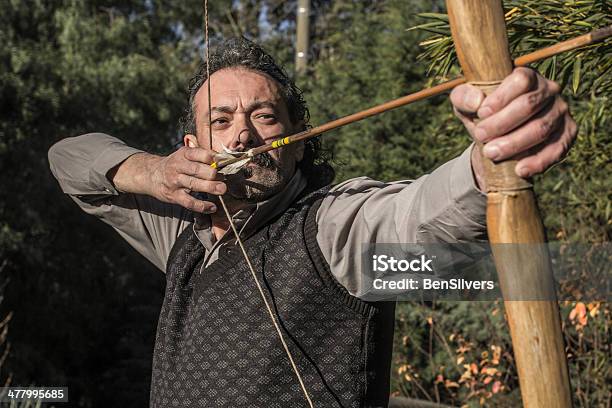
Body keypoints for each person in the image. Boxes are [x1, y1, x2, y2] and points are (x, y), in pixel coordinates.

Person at [48, 38, 577, 407]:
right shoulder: (181, 236)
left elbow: (418, 216)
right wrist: (152, 172)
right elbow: (68, 159)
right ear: (192, 147)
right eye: (221, 120)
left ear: (298, 138)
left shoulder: (332, 229)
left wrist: (491, 158)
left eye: (264, 115)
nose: (242, 137)